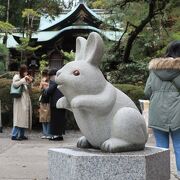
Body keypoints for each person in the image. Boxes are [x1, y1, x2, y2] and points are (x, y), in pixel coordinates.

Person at [144, 40, 180, 176]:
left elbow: (147, 92)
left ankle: (161, 175)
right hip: (178, 112)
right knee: (179, 145)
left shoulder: (155, 70)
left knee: (160, 147)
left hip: (157, 111)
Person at [11, 64, 33, 140]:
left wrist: (30, 82)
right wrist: (24, 79)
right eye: (25, 71)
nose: (26, 73)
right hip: (19, 100)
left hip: (25, 99)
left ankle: (21, 135)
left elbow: (29, 89)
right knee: (18, 117)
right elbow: (15, 85)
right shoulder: (16, 76)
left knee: (24, 117)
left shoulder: (25, 78)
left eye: (26, 71)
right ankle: (14, 135)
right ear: (21, 71)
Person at [45, 68, 66, 141]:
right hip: (60, 103)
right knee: (59, 120)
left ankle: (57, 135)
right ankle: (59, 135)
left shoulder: (55, 82)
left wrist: (48, 89)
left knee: (56, 120)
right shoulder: (60, 82)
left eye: (51, 76)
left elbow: (49, 91)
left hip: (56, 103)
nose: (50, 78)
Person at [39, 69, 50, 139]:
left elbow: (50, 88)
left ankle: (48, 133)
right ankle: (45, 133)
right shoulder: (43, 81)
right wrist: (42, 82)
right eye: (44, 74)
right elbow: (40, 88)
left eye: (46, 74)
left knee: (48, 118)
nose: (45, 76)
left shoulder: (51, 81)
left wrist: (45, 83)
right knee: (43, 118)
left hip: (49, 101)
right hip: (43, 101)